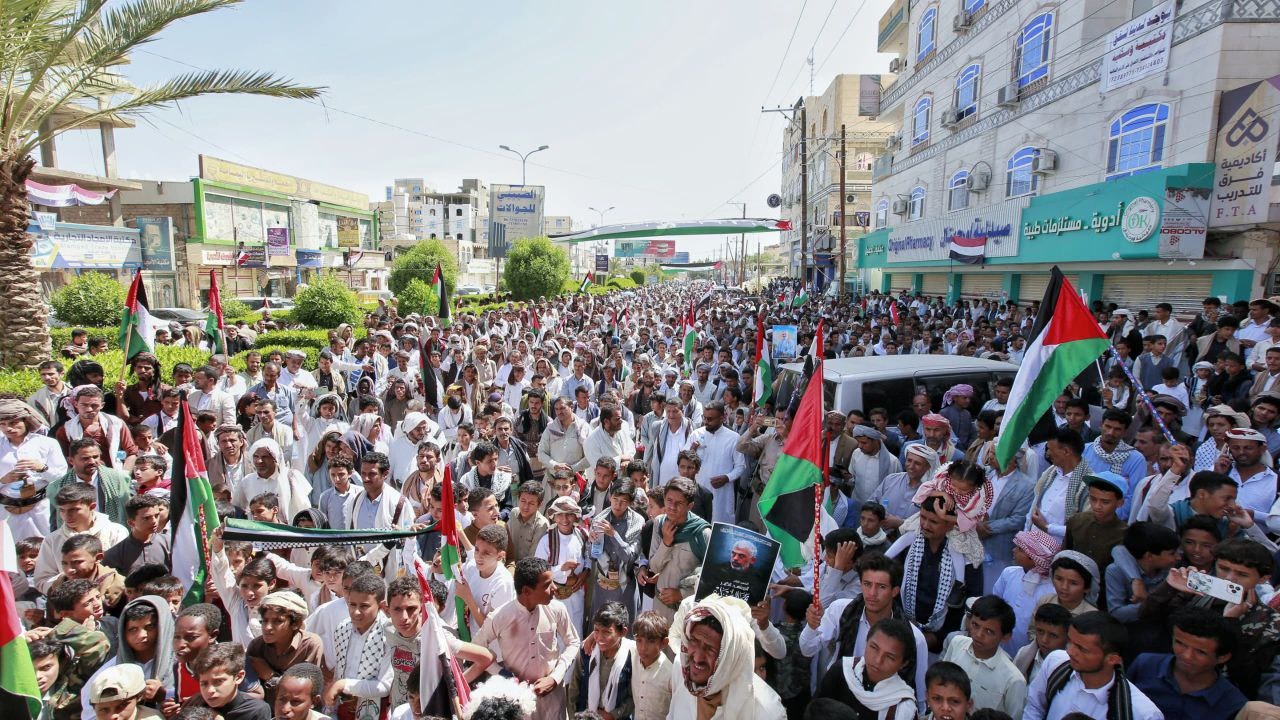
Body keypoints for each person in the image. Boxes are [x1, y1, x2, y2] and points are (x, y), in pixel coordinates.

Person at [471, 557, 582, 720]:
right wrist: (501, 673)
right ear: (527, 591)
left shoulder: (557, 609)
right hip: (517, 701)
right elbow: (477, 649)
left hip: (553, 699)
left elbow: (573, 642)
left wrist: (555, 677)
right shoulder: (500, 617)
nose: (554, 588)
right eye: (547, 585)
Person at [1022, 612, 1163, 720]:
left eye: (1082, 649)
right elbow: (1034, 706)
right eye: (1070, 642)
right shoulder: (1056, 662)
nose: (1070, 652)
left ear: (1113, 659)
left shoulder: (1143, 714)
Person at [667, 595, 786, 719]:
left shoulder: (766, 712)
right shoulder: (682, 670)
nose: (697, 658)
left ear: (732, 656)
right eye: (694, 641)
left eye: (710, 649)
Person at [1127, 606, 1247, 720]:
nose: (1187, 656)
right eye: (1180, 643)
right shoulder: (1145, 665)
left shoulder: (1233, 704)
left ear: (1222, 657)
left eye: (1200, 652)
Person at [939, 595, 1027, 717]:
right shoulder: (956, 643)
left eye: (989, 631)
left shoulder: (1013, 680)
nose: (979, 634)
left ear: (1005, 636)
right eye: (975, 625)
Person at [812, 617, 917, 719]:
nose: (878, 660)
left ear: (903, 663)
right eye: (874, 648)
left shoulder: (902, 706)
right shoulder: (843, 670)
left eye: (889, 657)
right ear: (866, 643)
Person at [638, 477, 710, 621]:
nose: (672, 507)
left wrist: (682, 593)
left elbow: (710, 577)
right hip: (660, 606)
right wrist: (666, 543)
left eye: (679, 503)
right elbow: (655, 566)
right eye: (669, 501)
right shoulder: (659, 523)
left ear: (690, 506)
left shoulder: (703, 533)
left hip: (686, 611)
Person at [189, 643, 272, 720]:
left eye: (218, 681)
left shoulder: (256, 711)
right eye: (204, 683)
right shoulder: (196, 705)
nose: (210, 690)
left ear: (238, 677)